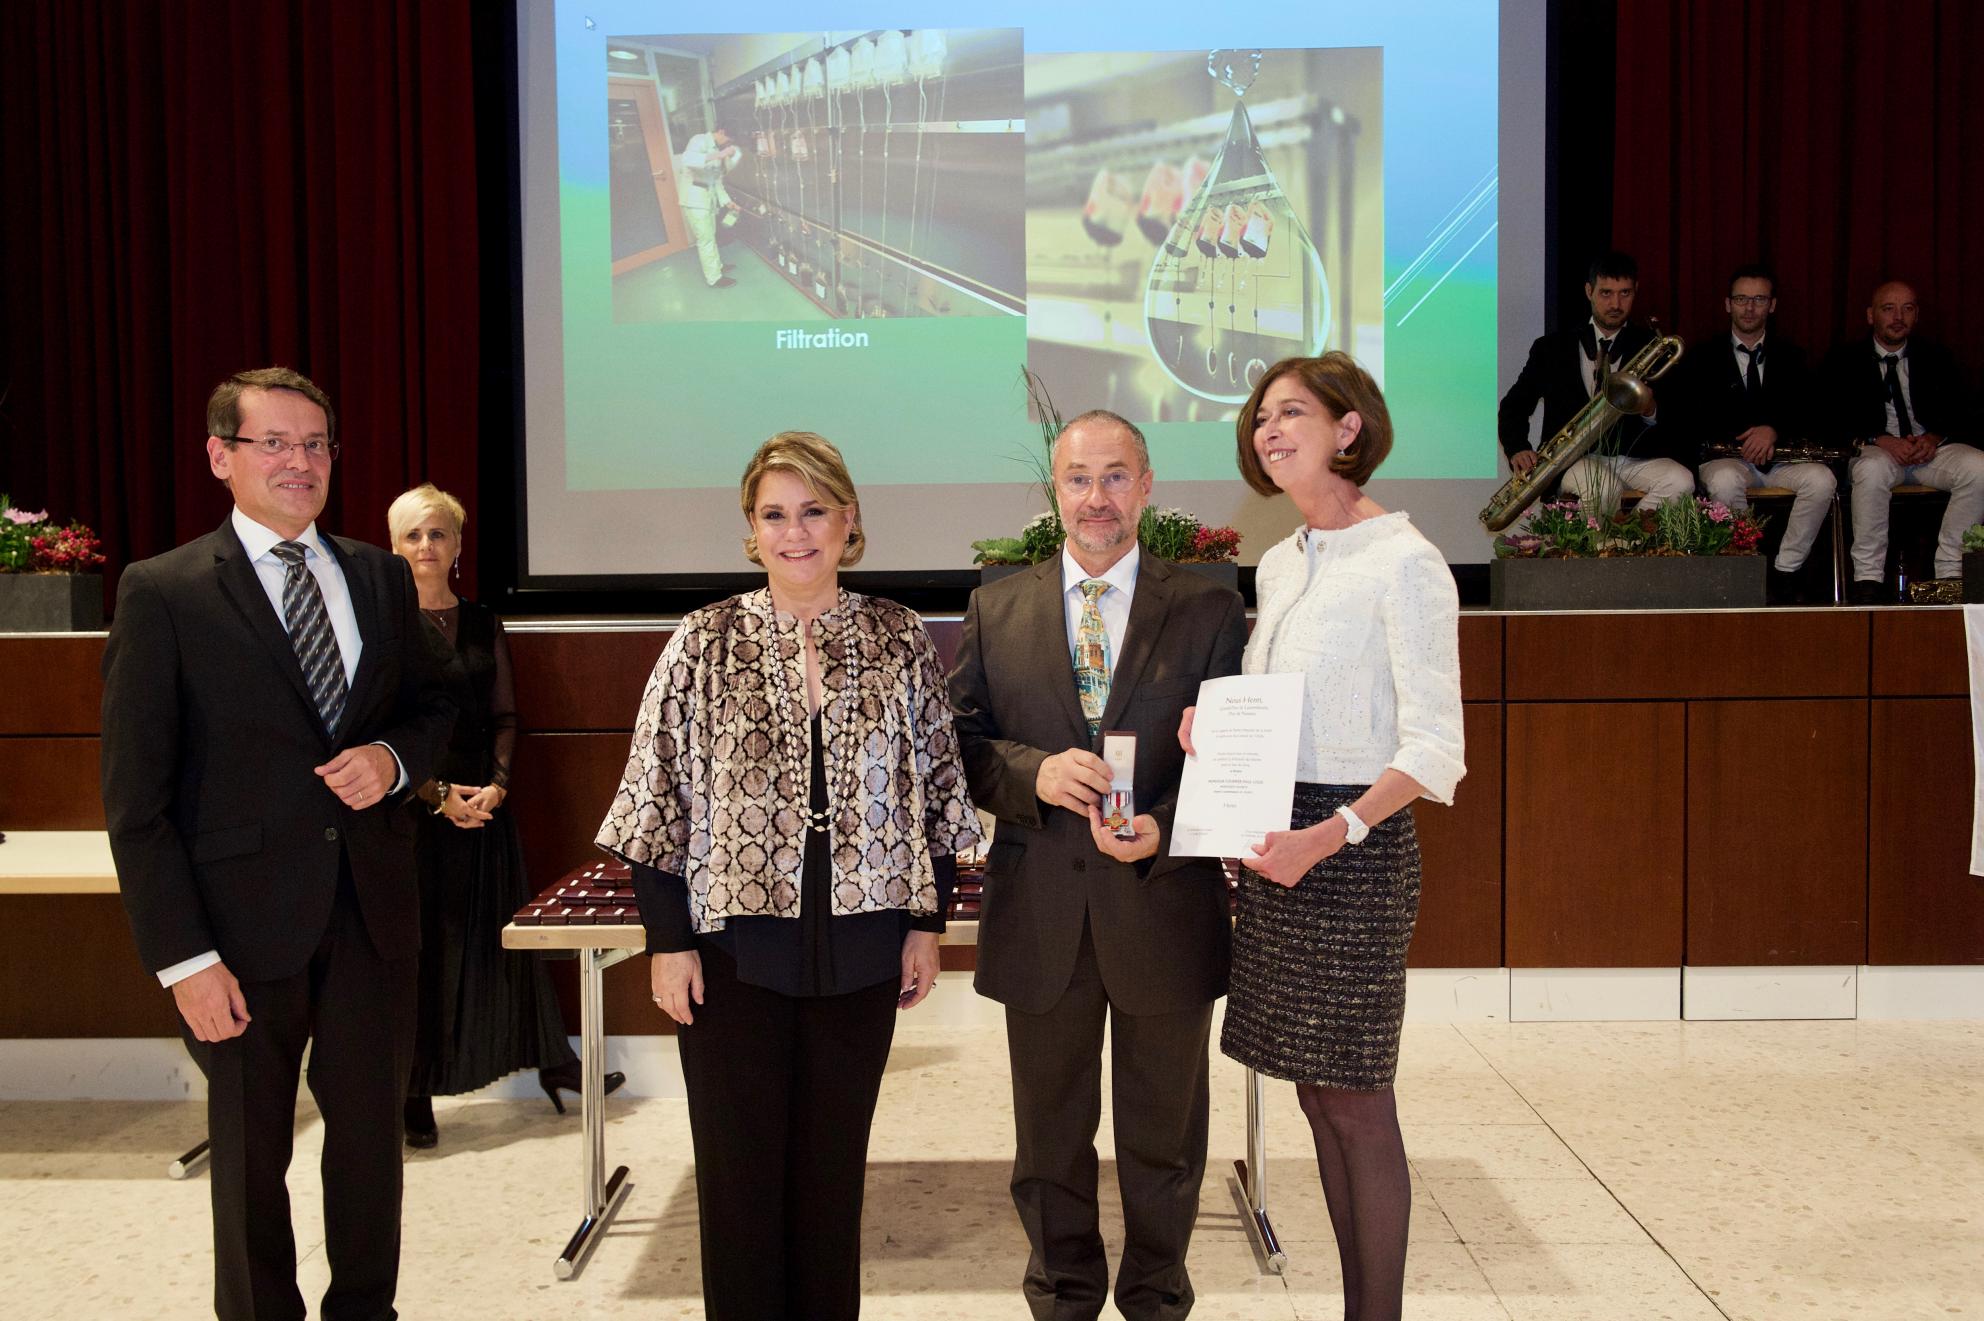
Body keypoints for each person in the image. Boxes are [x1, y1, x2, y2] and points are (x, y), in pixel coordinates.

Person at [595, 431, 982, 1321]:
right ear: (751, 528)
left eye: (814, 511)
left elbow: (938, 790)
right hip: (731, 958)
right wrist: (667, 942)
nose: (795, 532)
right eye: (775, 514)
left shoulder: (897, 638)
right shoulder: (704, 640)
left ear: (849, 522)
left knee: (831, 1175)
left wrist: (926, 922)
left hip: (863, 949)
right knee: (737, 1178)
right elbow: (657, 802)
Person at [100, 367, 457, 1321]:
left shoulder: (380, 577)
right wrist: (183, 957)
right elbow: (136, 803)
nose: (300, 463)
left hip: (375, 915)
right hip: (236, 934)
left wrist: (391, 758)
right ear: (221, 456)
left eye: (316, 445)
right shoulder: (163, 591)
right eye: (275, 443)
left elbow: (433, 708)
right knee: (253, 1156)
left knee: (372, 1148)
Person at [948, 410, 1247, 1321]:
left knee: (1165, 1140)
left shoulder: (1207, 606)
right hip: (1042, 915)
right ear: (1055, 491)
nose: (1097, 498)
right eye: (1079, 479)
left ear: (1147, 486)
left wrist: (1165, 824)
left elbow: (1233, 759)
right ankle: (1062, 1294)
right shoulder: (997, 606)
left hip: (1162, 904)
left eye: (1116, 477)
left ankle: (1157, 1296)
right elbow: (958, 745)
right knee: (1048, 1141)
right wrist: (1035, 771)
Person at [1200, 352, 1465, 1321]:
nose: (1269, 430)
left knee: (1355, 1097)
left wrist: (1328, 834)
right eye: (1261, 417)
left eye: (1292, 413)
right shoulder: (1283, 559)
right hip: (1282, 850)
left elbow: (1436, 746)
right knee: (1315, 1094)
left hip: (1351, 852)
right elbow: (1284, 712)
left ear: (1349, 429)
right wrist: (1214, 736)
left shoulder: (1407, 560)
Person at [386, 482, 623, 1149]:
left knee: (512, 942)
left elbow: (505, 713)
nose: (427, 546)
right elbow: (377, 725)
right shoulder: (384, 626)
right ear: (394, 547)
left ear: (458, 545)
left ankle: (557, 1063)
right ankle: (413, 1090)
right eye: (414, 534)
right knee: (422, 953)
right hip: (413, 812)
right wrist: (436, 794)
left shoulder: (483, 620)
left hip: (483, 811)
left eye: (438, 533)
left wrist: (496, 784)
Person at [1817, 279, 1984, 602]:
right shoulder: (1845, 360)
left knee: (1979, 467)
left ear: (1917, 315)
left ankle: (1951, 571)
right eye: (1888, 309)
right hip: (1876, 450)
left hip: (1929, 452)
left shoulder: (1936, 357)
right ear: (1870, 316)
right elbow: (1829, 419)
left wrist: (1933, 437)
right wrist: (1878, 439)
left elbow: (1963, 411)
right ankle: (1868, 578)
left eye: (1907, 309)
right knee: (1872, 470)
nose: (1898, 317)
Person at [1683, 264, 1834, 603]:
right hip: (1723, 458)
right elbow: (1691, 416)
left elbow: (1812, 411)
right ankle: (1744, 565)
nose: (1749, 308)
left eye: (1759, 299)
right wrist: (1744, 436)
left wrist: (1773, 429)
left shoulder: (1794, 356)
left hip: (1779, 458)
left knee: (1822, 480)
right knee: (1724, 482)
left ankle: (1784, 571)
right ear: (1727, 304)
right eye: (1741, 299)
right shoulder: (1701, 357)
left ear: (1773, 305)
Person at [1497, 250, 1692, 510]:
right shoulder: (1551, 348)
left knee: (1682, 481)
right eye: (1606, 293)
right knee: (1603, 487)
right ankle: (1604, 546)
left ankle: (1631, 541)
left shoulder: (1651, 346)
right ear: (1589, 291)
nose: (1615, 304)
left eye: (1625, 293)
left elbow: (1679, 416)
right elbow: (1514, 406)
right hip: (1573, 459)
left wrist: (1650, 409)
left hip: (1633, 458)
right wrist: (1518, 447)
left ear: (1636, 290)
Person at [679, 126, 742, 289]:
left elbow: (717, 181)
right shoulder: (698, 140)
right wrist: (721, 154)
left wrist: (728, 202)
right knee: (705, 240)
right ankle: (714, 278)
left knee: (710, 236)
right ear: (721, 131)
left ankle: (718, 267)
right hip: (694, 200)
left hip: (708, 199)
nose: (727, 144)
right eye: (727, 140)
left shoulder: (716, 149)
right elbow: (687, 160)